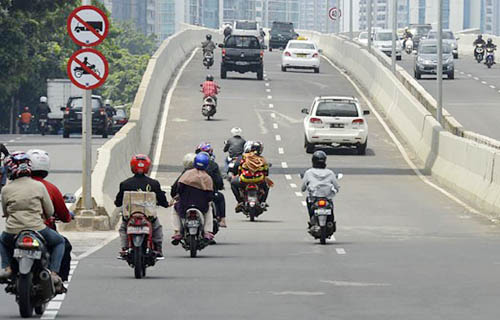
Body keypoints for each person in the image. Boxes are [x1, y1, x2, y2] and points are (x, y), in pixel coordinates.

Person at [0, 152, 66, 293]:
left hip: (13, 231)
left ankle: (7, 268)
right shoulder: (39, 186)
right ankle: (54, 273)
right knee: (59, 242)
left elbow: (5, 212)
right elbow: (49, 211)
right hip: (37, 228)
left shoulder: (6, 190)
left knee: (2, 241)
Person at [27, 149, 73, 281]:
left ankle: (7, 268)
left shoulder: (13, 186)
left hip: (18, 229)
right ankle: (57, 277)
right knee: (63, 244)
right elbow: (62, 215)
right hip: (41, 229)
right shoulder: (49, 188)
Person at [114, 154, 169, 259]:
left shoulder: (125, 184)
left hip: (130, 216)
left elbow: (118, 202)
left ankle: (125, 248)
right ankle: (158, 249)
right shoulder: (154, 184)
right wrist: (165, 204)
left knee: (123, 228)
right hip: (148, 217)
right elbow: (163, 201)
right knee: (157, 228)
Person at [171, 152, 214, 245]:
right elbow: (210, 196)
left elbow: (179, 189)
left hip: (184, 205)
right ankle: (207, 231)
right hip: (201, 206)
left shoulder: (186, 174)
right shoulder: (207, 178)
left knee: (174, 209)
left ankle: (177, 231)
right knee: (209, 209)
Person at [301, 151, 340, 228]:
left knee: (308, 202)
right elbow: (336, 186)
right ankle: (330, 222)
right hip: (327, 197)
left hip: (314, 198)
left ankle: (312, 220)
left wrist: (305, 188)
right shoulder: (330, 173)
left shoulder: (309, 172)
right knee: (331, 206)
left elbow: (303, 188)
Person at [230, 141, 272, 212]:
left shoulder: (244, 157)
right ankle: (263, 202)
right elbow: (266, 172)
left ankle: (239, 201)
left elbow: (239, 168)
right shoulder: (262, 159)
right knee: (267, 185)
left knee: (233, 183)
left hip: (244, 180)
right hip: (258, 180)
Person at [195, 143, 226, 227]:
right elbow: (218, 181)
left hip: (192, 195)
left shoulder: (191, 166)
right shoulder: (213, 165)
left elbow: (180, 183)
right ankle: (222, 219)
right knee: (220, 197)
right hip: (208, 195)